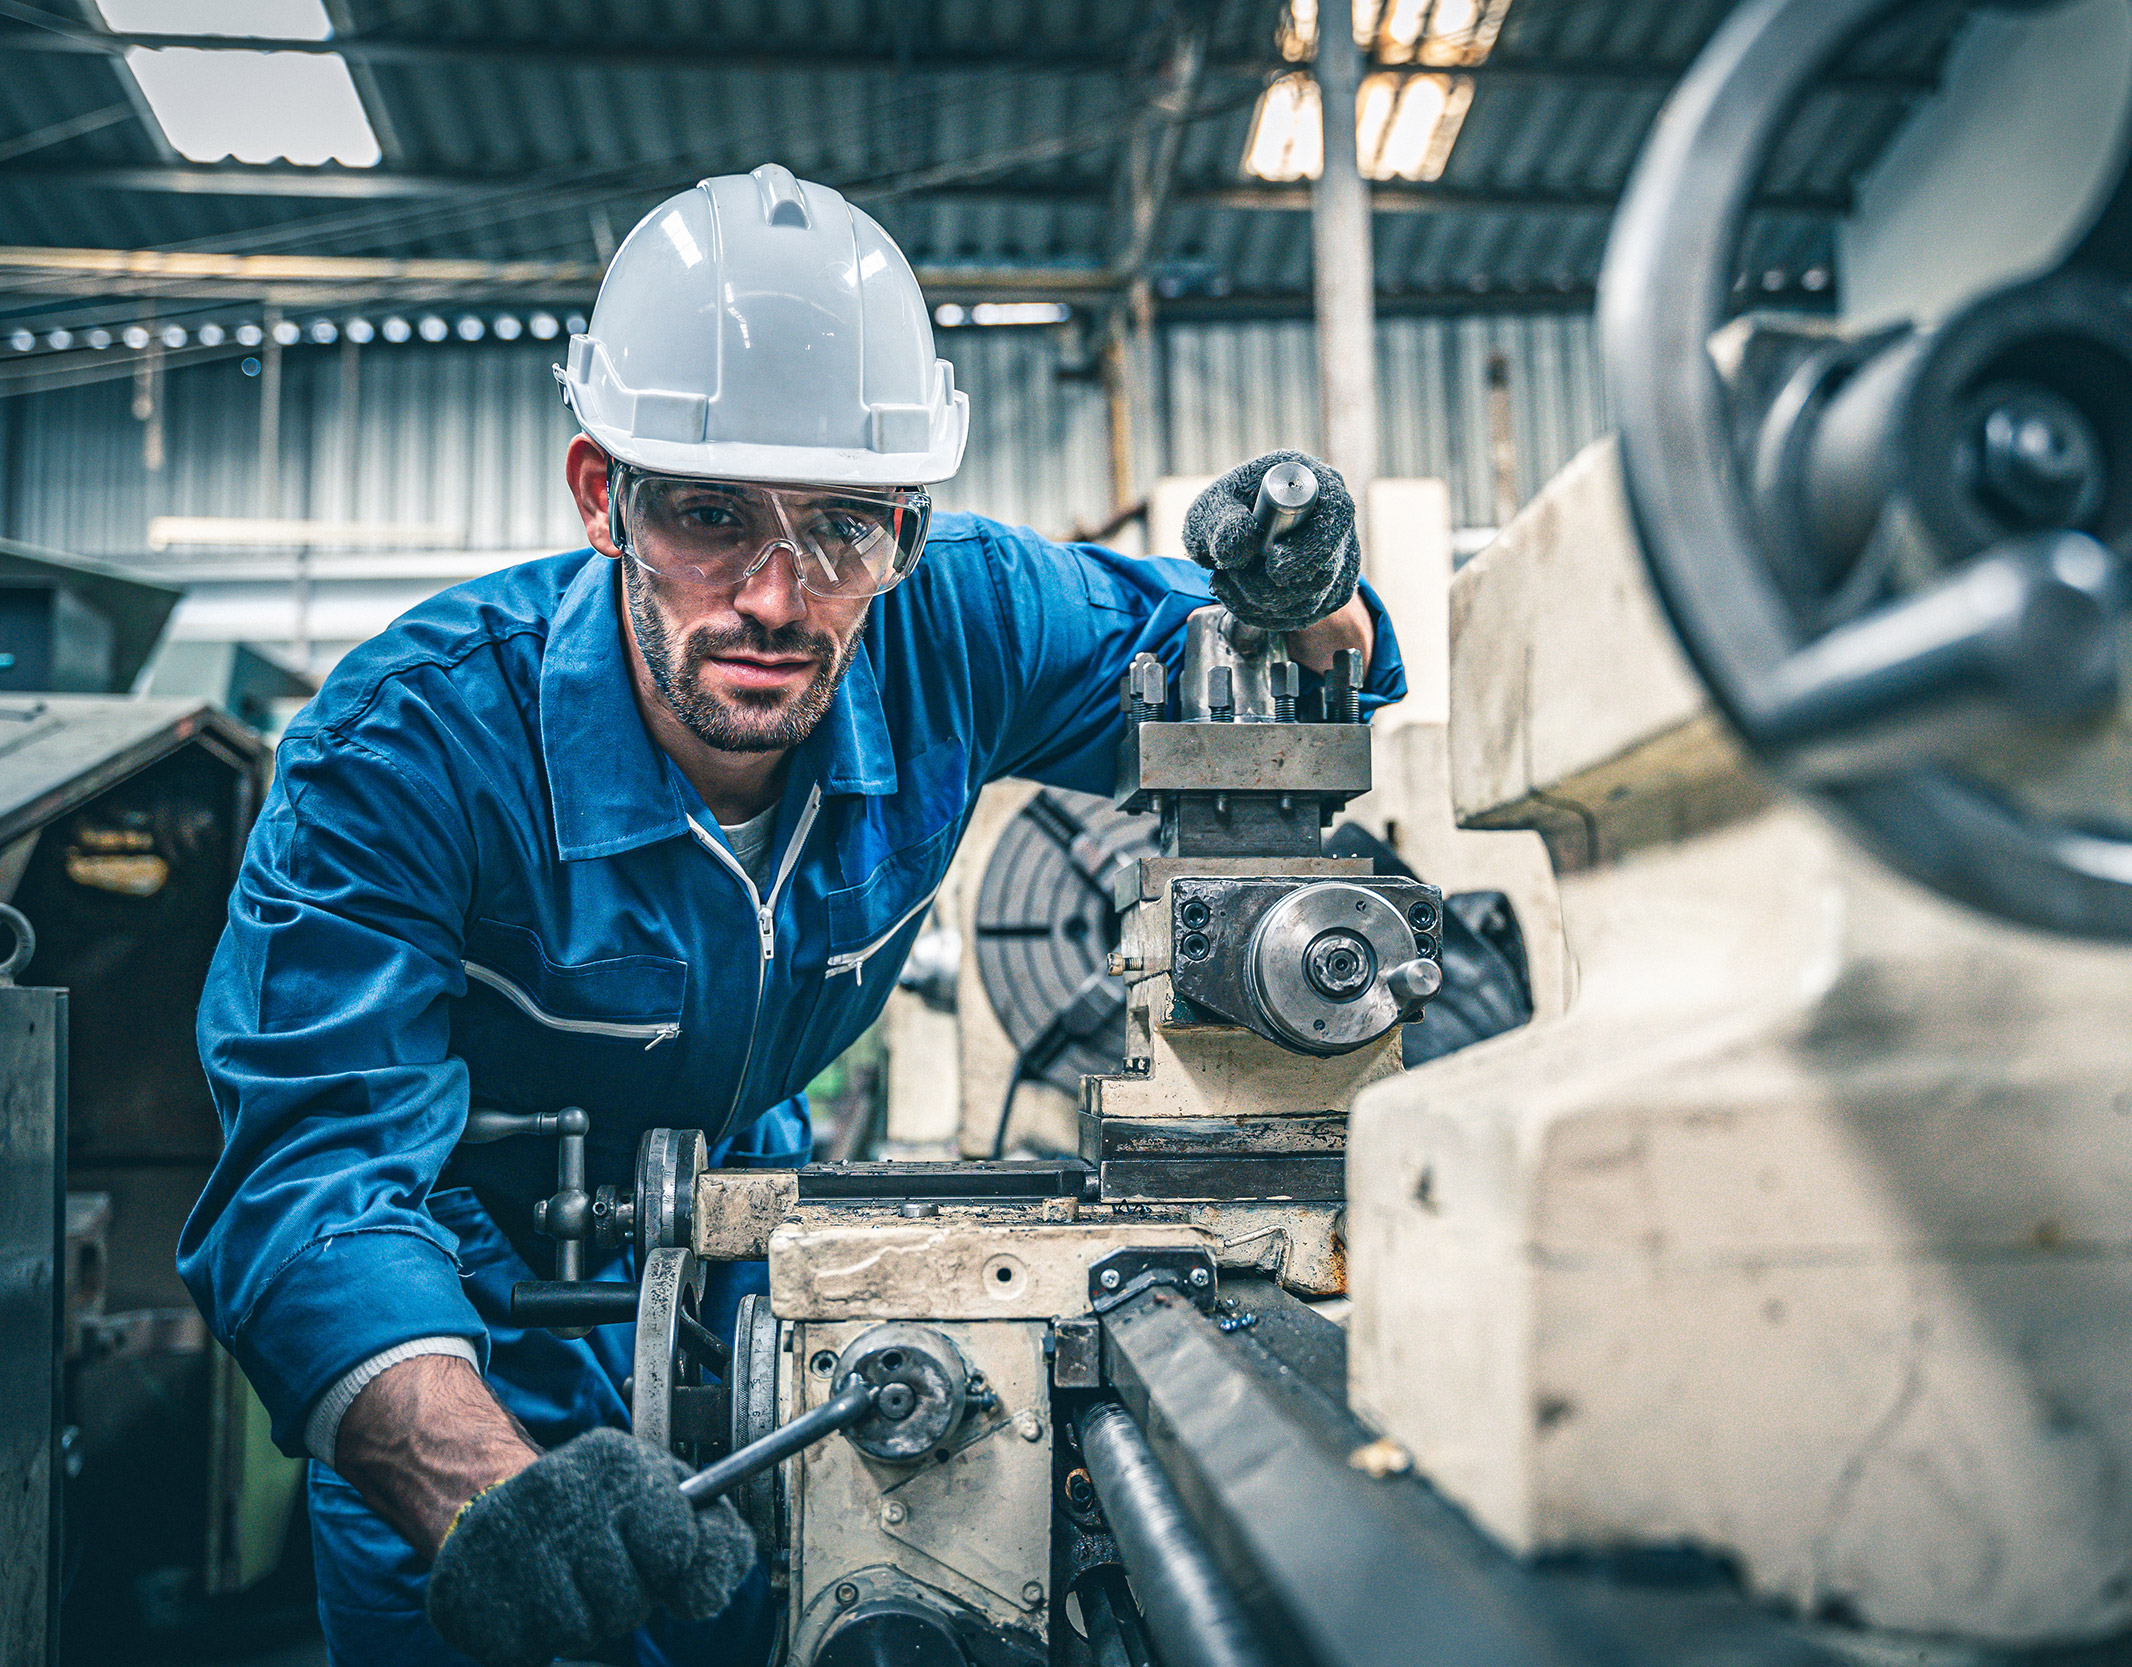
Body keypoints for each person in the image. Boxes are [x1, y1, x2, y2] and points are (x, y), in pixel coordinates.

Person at [176, 162, 1401, 1667]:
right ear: (599, 497)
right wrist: (485, 1492)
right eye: (705, 515)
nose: (775, 593)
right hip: (459, 1312)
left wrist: (1309, 591)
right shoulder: (410, 744)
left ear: (906, 524)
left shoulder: (953, 621)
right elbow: (310, 1176)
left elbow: (1256, 660)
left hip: (759, 1273)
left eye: (840, 526)